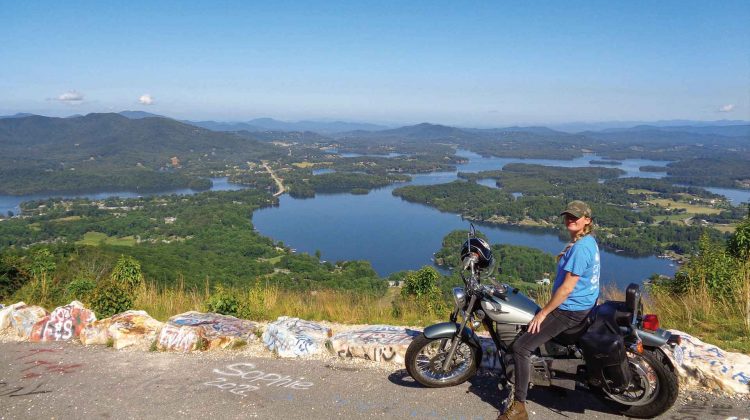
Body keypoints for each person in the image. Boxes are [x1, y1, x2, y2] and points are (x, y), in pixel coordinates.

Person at [498, 200, 601, 420]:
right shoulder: (588, 242)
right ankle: (557, 380)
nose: (570, 220)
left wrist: (543, 313)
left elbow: (566, 289)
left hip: (570, 310)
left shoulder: (581, 248)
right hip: (584, 307)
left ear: (587, 220)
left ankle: (519, 407)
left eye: (576, 217)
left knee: (521, 347)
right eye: (568, 216)